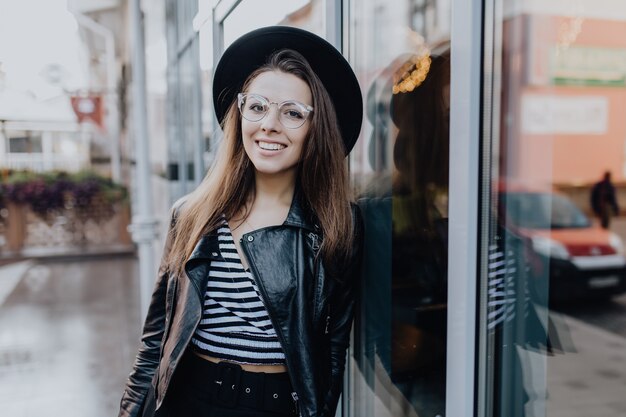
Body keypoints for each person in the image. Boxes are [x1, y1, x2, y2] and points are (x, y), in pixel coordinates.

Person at [118, 26, 364, 417]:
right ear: (240, 113)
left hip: (274, 406)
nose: (269, 124)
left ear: (315, 130)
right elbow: (155, 340)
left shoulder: (335, 225)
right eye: (258, 106)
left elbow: (334, 347)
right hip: (189, 398)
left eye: (293, 113)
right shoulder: (192, 214)